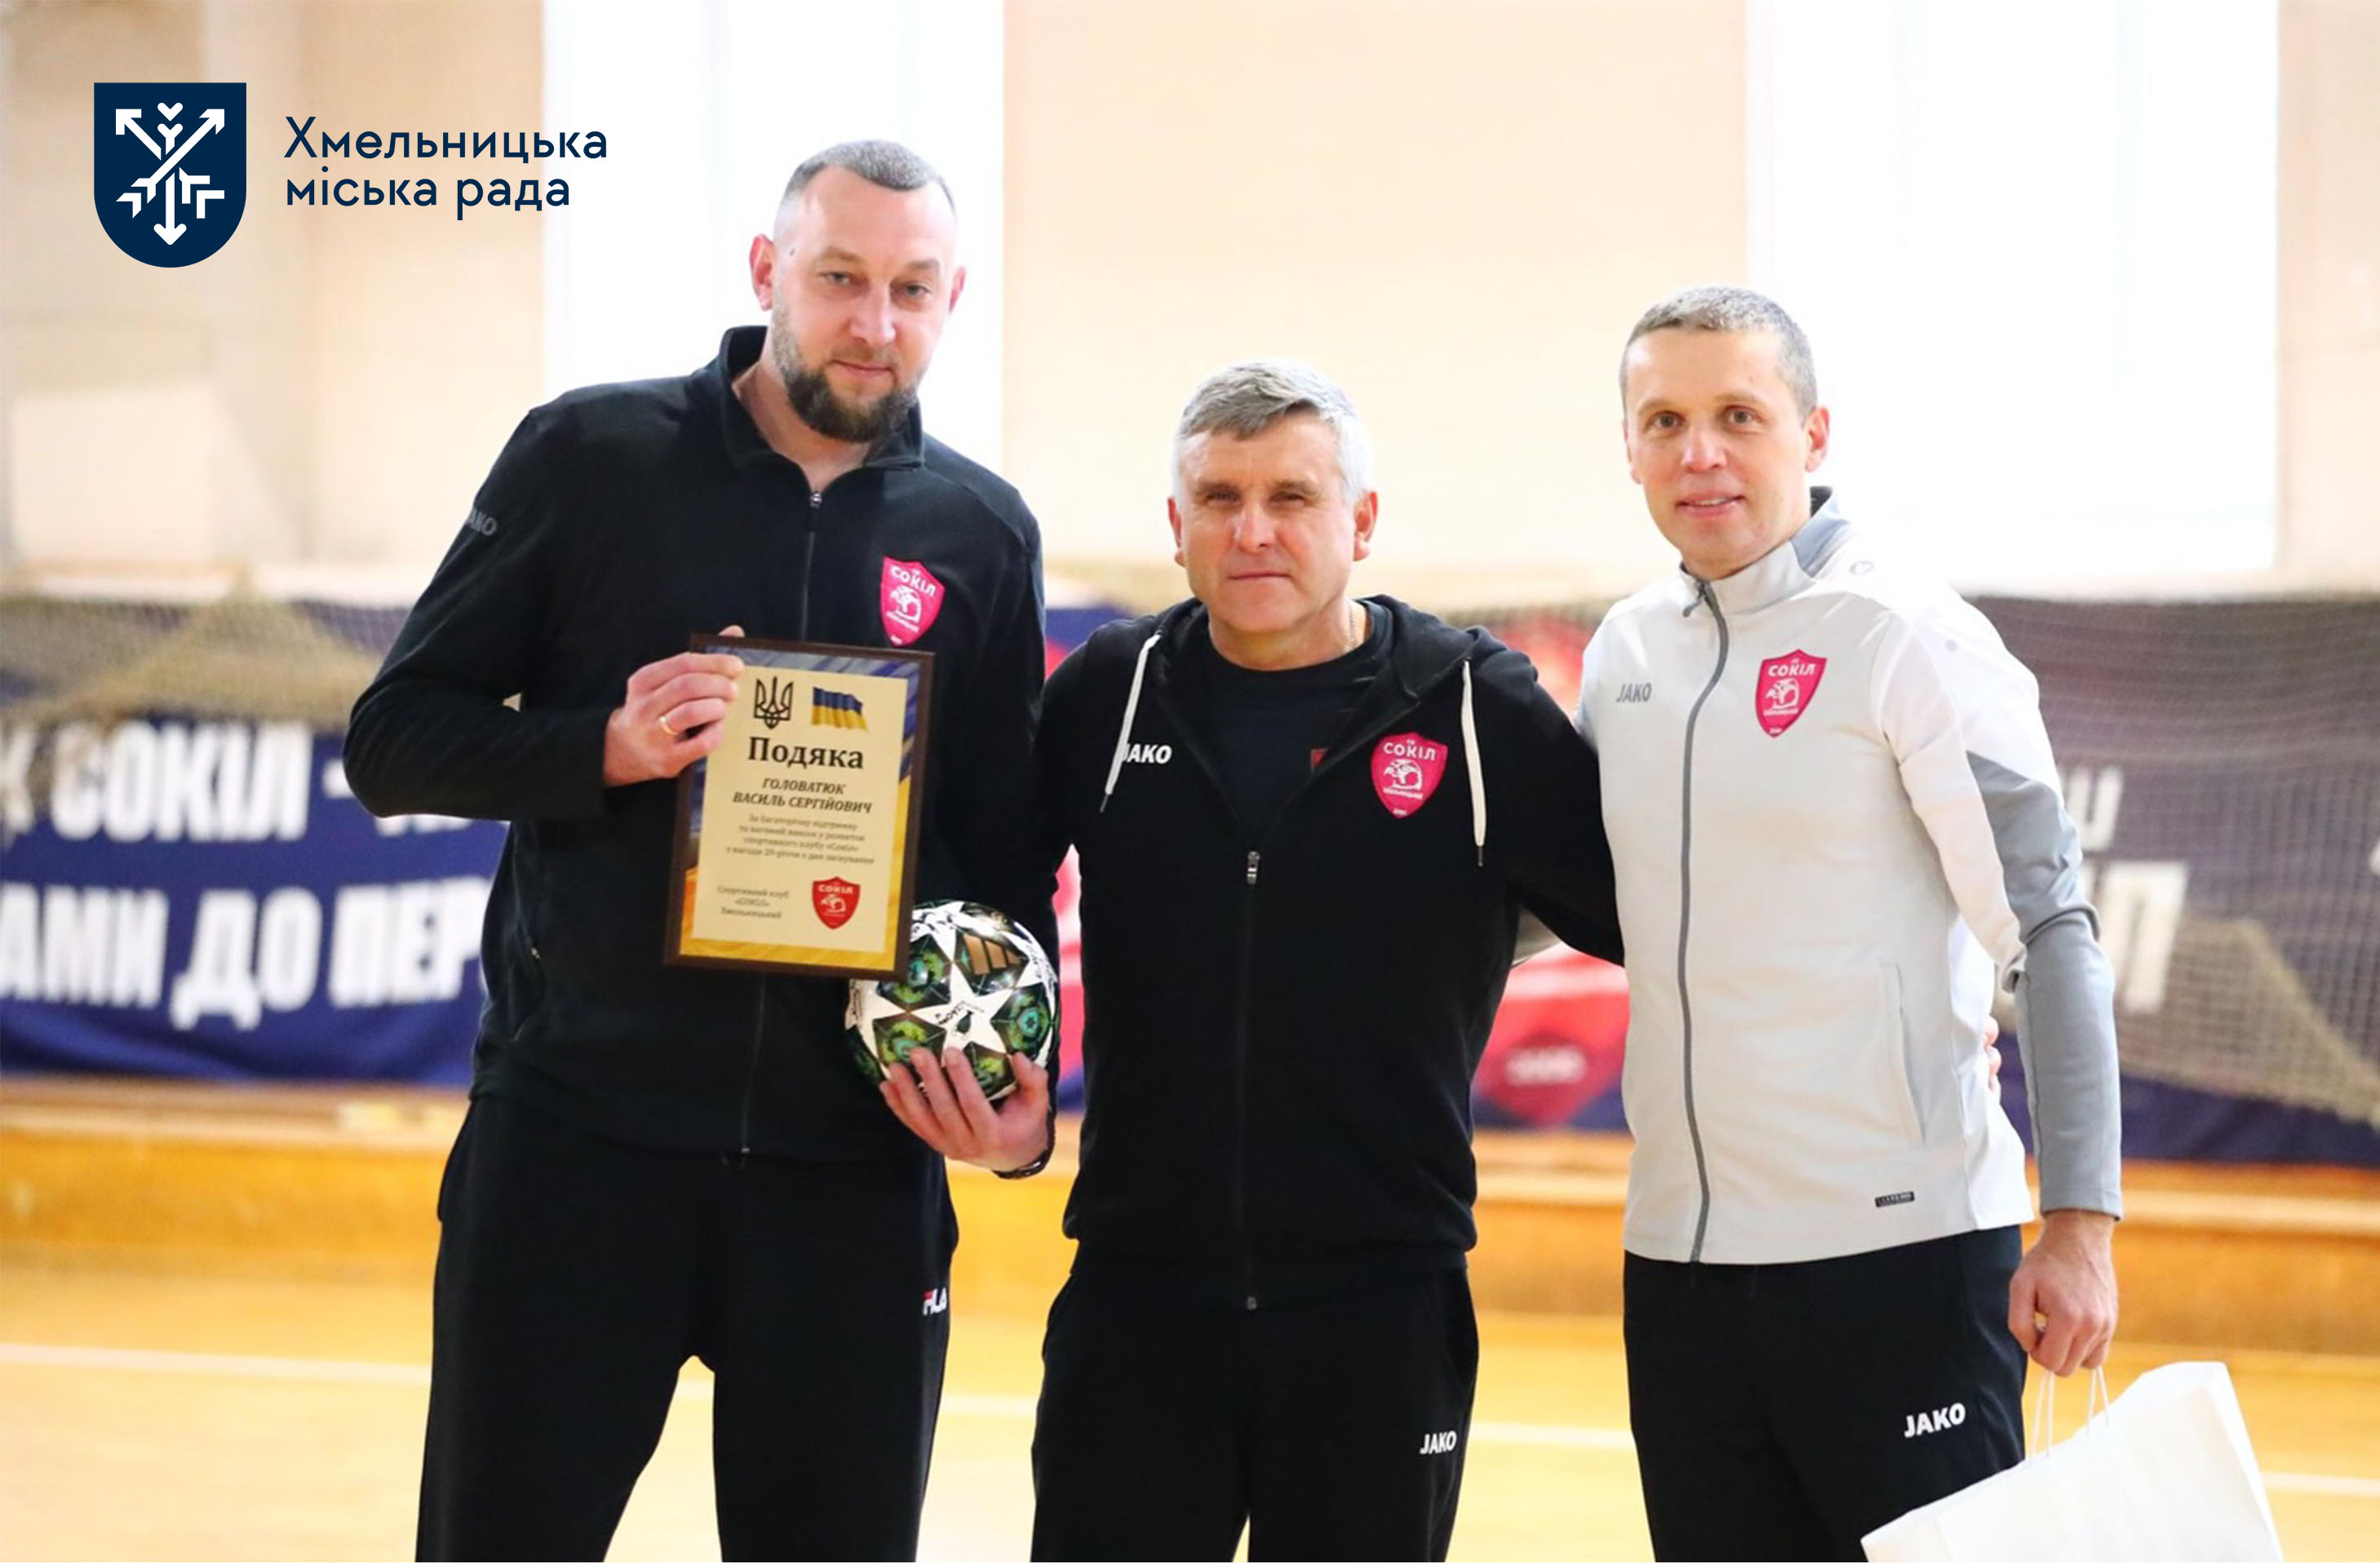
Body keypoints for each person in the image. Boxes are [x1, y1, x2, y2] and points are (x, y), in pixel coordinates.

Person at [344, 140, 1057, 1562]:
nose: (874, 322)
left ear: (953, 298)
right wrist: (603, 745)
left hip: (848, 1173)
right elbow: (394, 740)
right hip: (577, 1143)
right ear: (766, 273)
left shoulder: (979, 533)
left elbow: (1003, 862)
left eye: (912, 288)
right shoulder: (591, 456)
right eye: (839, 278)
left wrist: (1015, 1110)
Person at [915, 358, 1625, 1561]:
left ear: (1361, 520)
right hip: (1137, 1295)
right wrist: (1011, 1116)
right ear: (1176, 524)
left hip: (1381, 1304)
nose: (1253, 531)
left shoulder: (1473, 707)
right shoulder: (1109, 693)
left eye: (1292, 497)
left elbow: (1643, 917)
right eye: (1220, 498)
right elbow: (994, 900)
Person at [1579, 284, 2121, 1561]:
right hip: (1680, 1275)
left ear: (1812, 433)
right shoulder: (1622, 653)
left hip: (1900, 1265)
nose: (1699, 452)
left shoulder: (1906, 633)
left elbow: (2047, 930)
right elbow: (1563, 896)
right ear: (1629, 449)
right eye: (1663, 421)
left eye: (1737, 415)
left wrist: (2079, 1223)